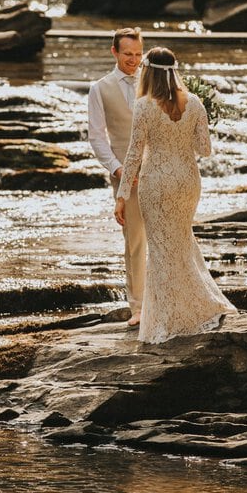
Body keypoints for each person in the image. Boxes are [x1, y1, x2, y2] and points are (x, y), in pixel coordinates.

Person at [114, 46, 237, 344]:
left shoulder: (143, 105)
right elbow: (204, 150)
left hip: (155, 182)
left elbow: (134, 153)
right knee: (181, 242)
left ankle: (168, 318)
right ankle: (194, 308)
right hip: (187, 182)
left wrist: (121, 195)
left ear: (149, 72)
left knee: (161, 249)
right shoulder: (194, 103)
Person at [88, 27, 147, 326]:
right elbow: (97, 137)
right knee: (134, 241)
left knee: (167, 237)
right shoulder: (100, 88)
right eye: (127, 55)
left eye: (138, 54)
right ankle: (138, 306)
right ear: (114, 52)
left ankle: (165, 300)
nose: (134, 60)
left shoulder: (154, 82)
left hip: (160, 171)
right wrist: (118, 169)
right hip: (126, 175)